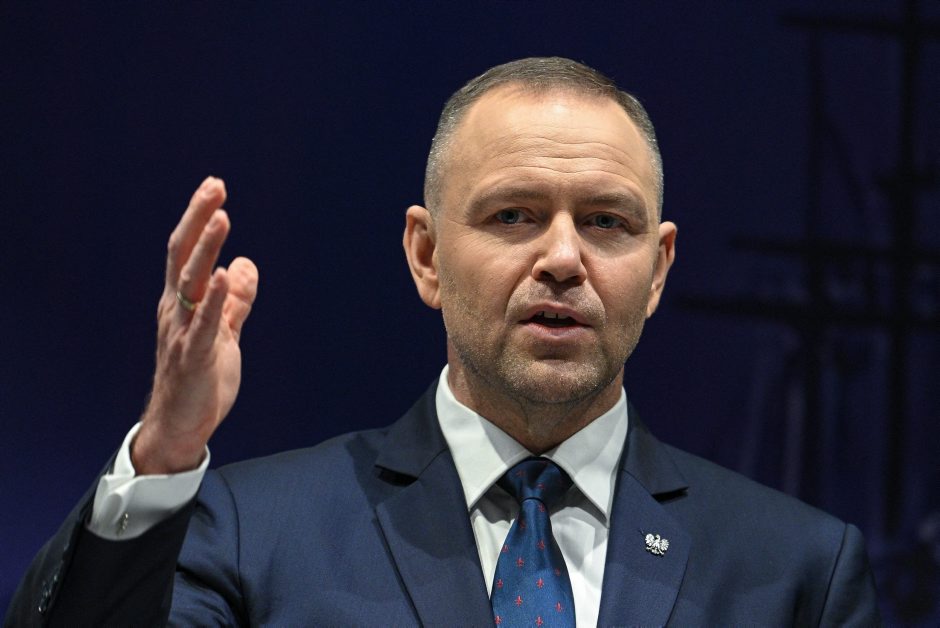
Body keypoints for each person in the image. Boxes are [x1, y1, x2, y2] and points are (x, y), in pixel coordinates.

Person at [6, 57, 879, 626]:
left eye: (607, 223)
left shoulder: (797, 572)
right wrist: (164, 452)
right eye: (514, 216)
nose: (563, 259)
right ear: (426, 255)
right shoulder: (249, 533)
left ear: (657, 269)